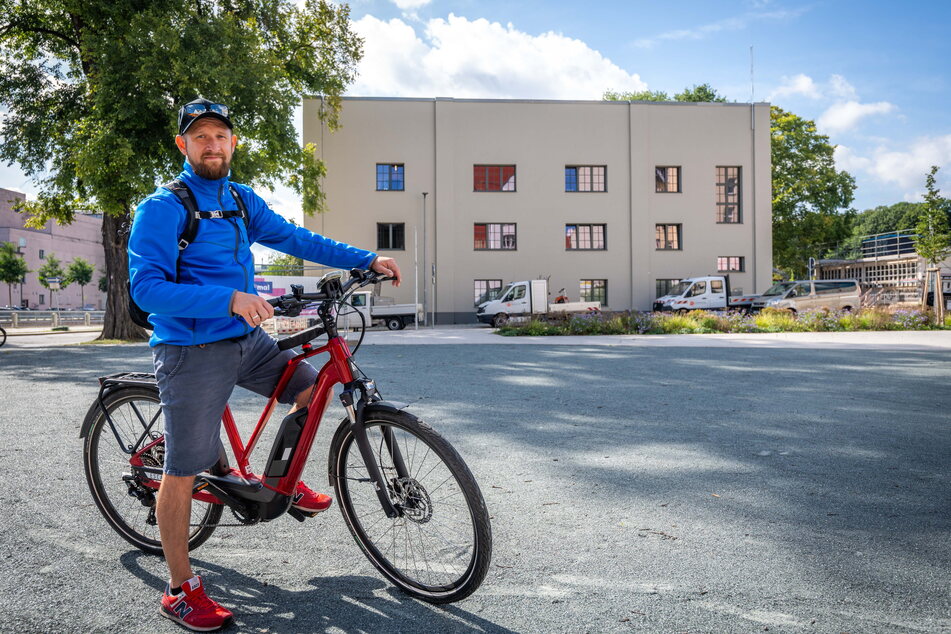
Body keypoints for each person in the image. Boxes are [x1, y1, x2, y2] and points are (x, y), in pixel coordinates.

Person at [128, 98, 401, 631]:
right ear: (182, 146)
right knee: (181, 472)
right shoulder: (162, 207)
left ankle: (281, 482)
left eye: (220, 136)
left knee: (310, 390)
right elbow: (147, 289)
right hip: (189, 349)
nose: (212, 144)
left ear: (233, 144)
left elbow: (297, 237)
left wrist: (363, 258)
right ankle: (180, 588)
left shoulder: (239, 198)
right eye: (200, 136)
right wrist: (227, 298)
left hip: (246, 342)